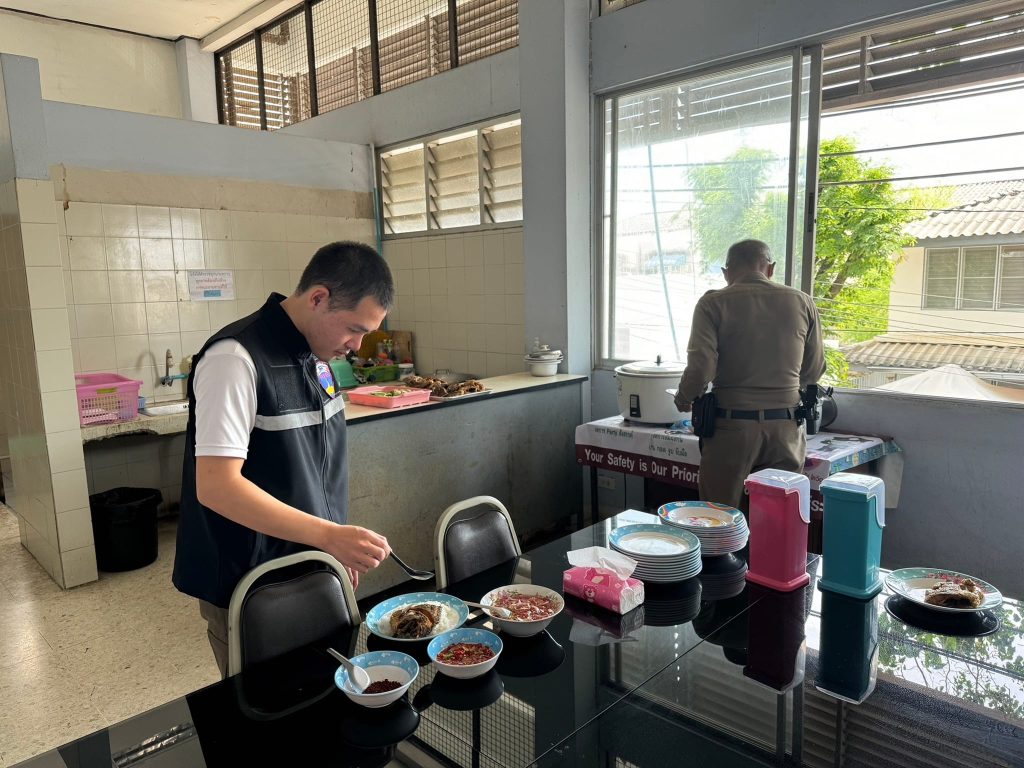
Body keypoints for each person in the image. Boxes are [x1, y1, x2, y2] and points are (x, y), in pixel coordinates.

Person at [172, 241, 394, 676]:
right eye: (354, 329)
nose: (357, 345)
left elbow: (315, 468)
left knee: (322, 694)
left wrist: (333, 544)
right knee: (264, 706)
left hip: (310, 568)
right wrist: (328, 536)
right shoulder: (235, 359)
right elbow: (216, 486)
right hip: (254, 583)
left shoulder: (317, 359)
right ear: (318, 298)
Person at [673, 239, 825, 509]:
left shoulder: (712, 304)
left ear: (726, 272)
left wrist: (684, 397)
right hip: (786, 430)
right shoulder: (802, 301)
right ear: (771, 269)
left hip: (730, 430)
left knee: (721, 518)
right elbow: (813, 370)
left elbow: (701, 367)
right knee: (780, 519)